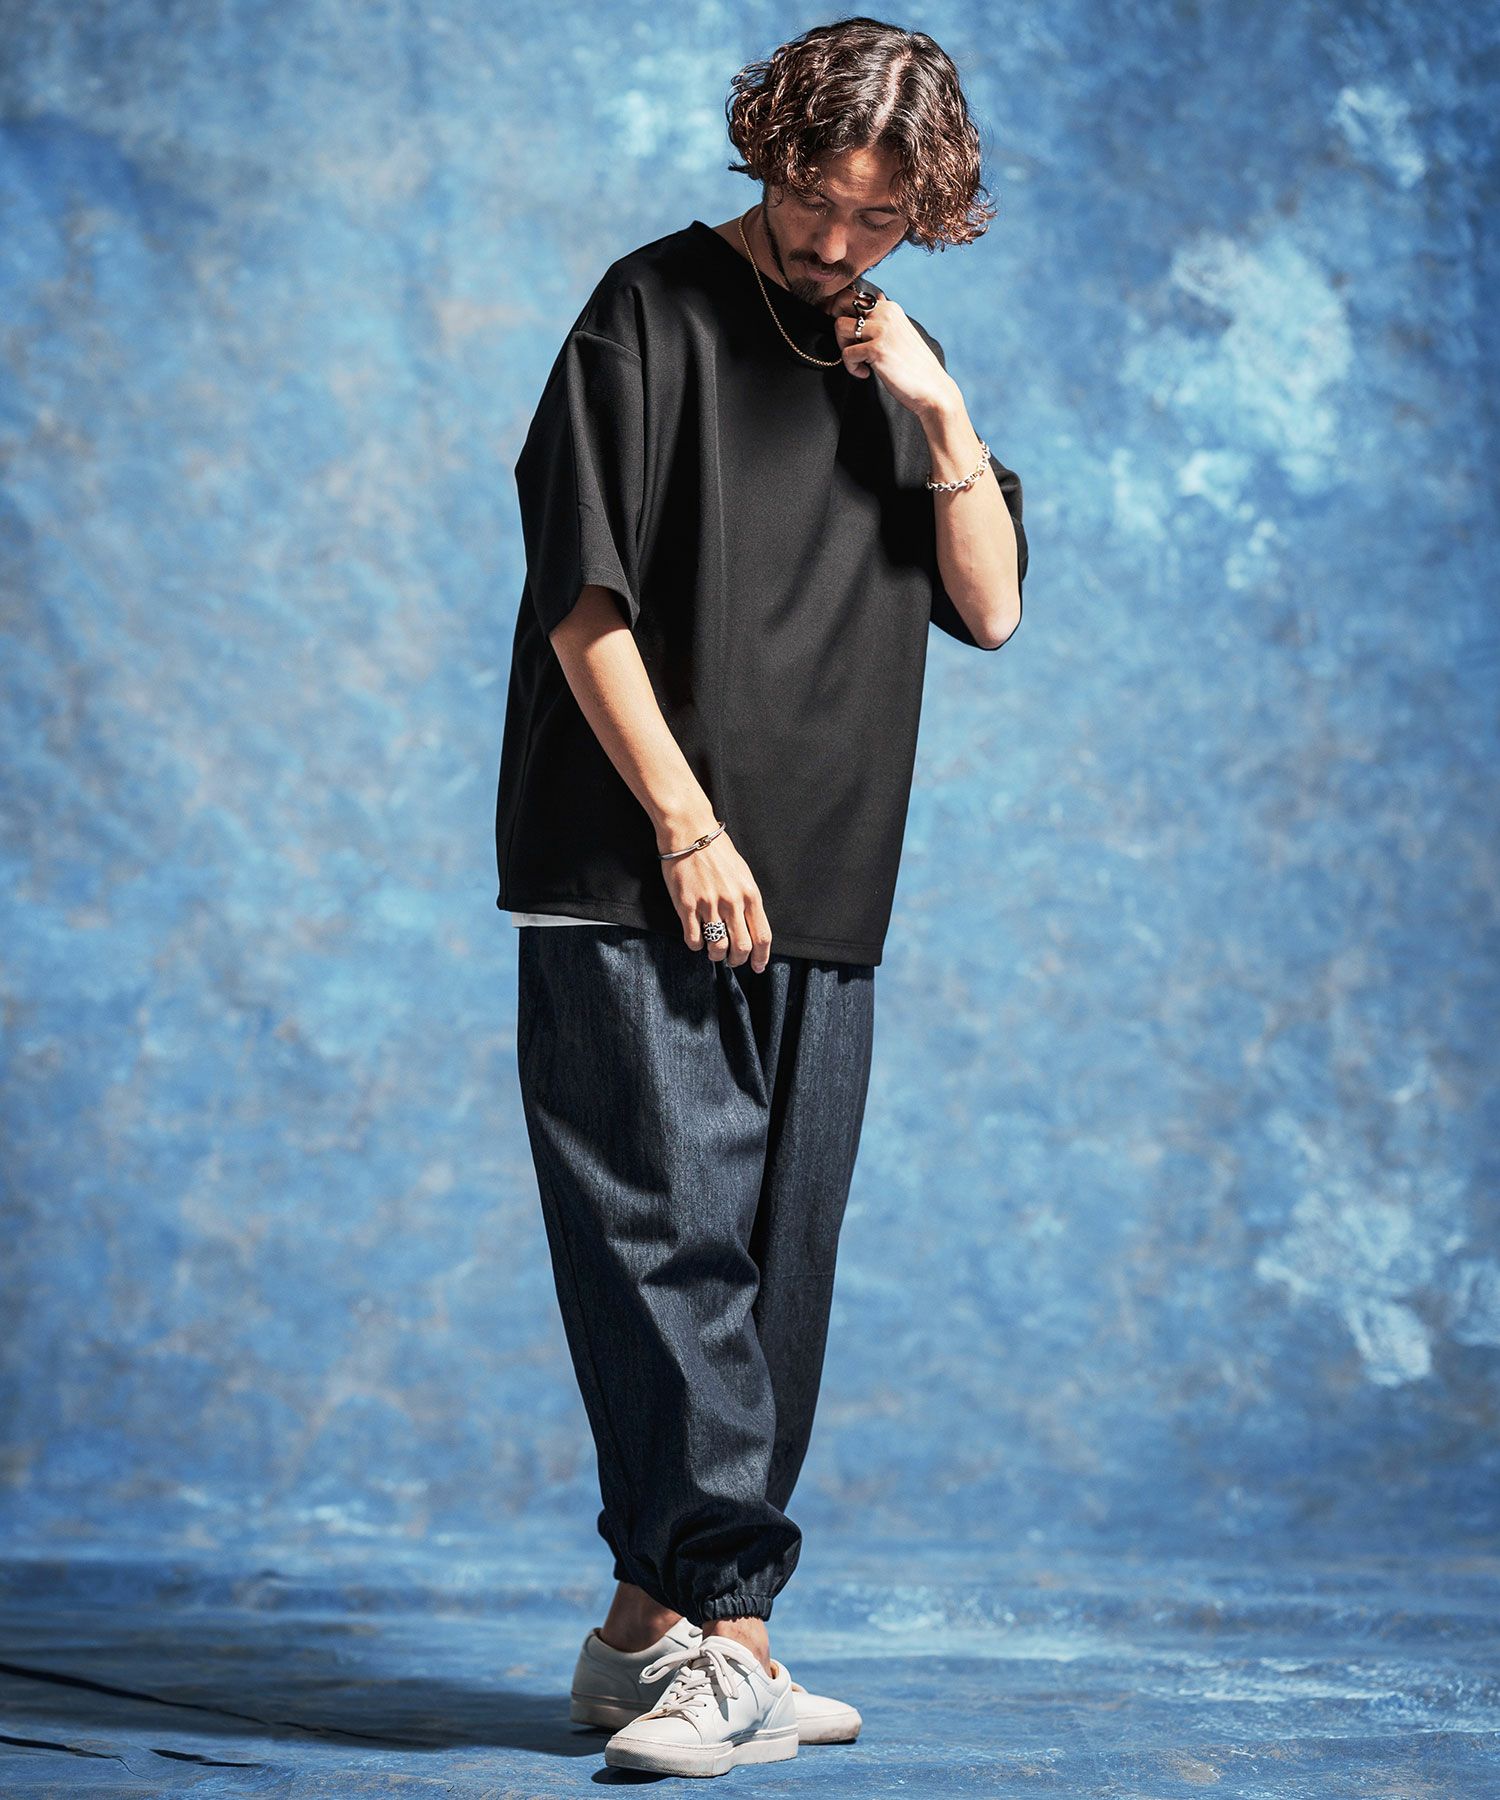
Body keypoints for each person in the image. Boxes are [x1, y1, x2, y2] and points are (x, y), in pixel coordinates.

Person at [493, 17, 1027, 1779]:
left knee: (774, 1272)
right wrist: (686, 825)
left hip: (827, 882)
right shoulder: (644, 311)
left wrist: (940, 409)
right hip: (640, 868)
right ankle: (732, 1637)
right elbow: (582, 598)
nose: (836, 242)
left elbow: (993, 606)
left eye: (881, 219)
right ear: (771, 151)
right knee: (665, 1249)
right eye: (815, 200)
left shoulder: (895, 351)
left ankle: (640, 1636)